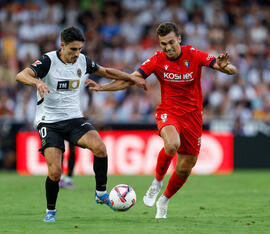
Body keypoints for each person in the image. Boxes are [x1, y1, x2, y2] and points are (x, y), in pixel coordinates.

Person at [87, 22, 237, 219]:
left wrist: (226, 68)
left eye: (171, 42)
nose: (167, 47)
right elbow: (130, 79)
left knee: (185, 168)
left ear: (179, 40)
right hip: (169, 112)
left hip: (193, 117)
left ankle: (164, 200)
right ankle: (156, 182)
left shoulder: (193, 54)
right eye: (163, 43)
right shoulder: (157, 60)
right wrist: (103, 88)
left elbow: (227, 68)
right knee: (173, 144)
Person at [16, 26, 146, 223]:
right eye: (73, 49)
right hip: (49, 122)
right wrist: (37, 83)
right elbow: (21, 75)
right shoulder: (48, 60)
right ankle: (50, 211)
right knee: (55, 172)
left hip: (74, 119)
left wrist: (132, 78)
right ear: (62, 45)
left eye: (79, 49)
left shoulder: (83, 61)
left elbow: (106, 71)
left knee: (100, 148)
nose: (77, 54)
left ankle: (101, 193)